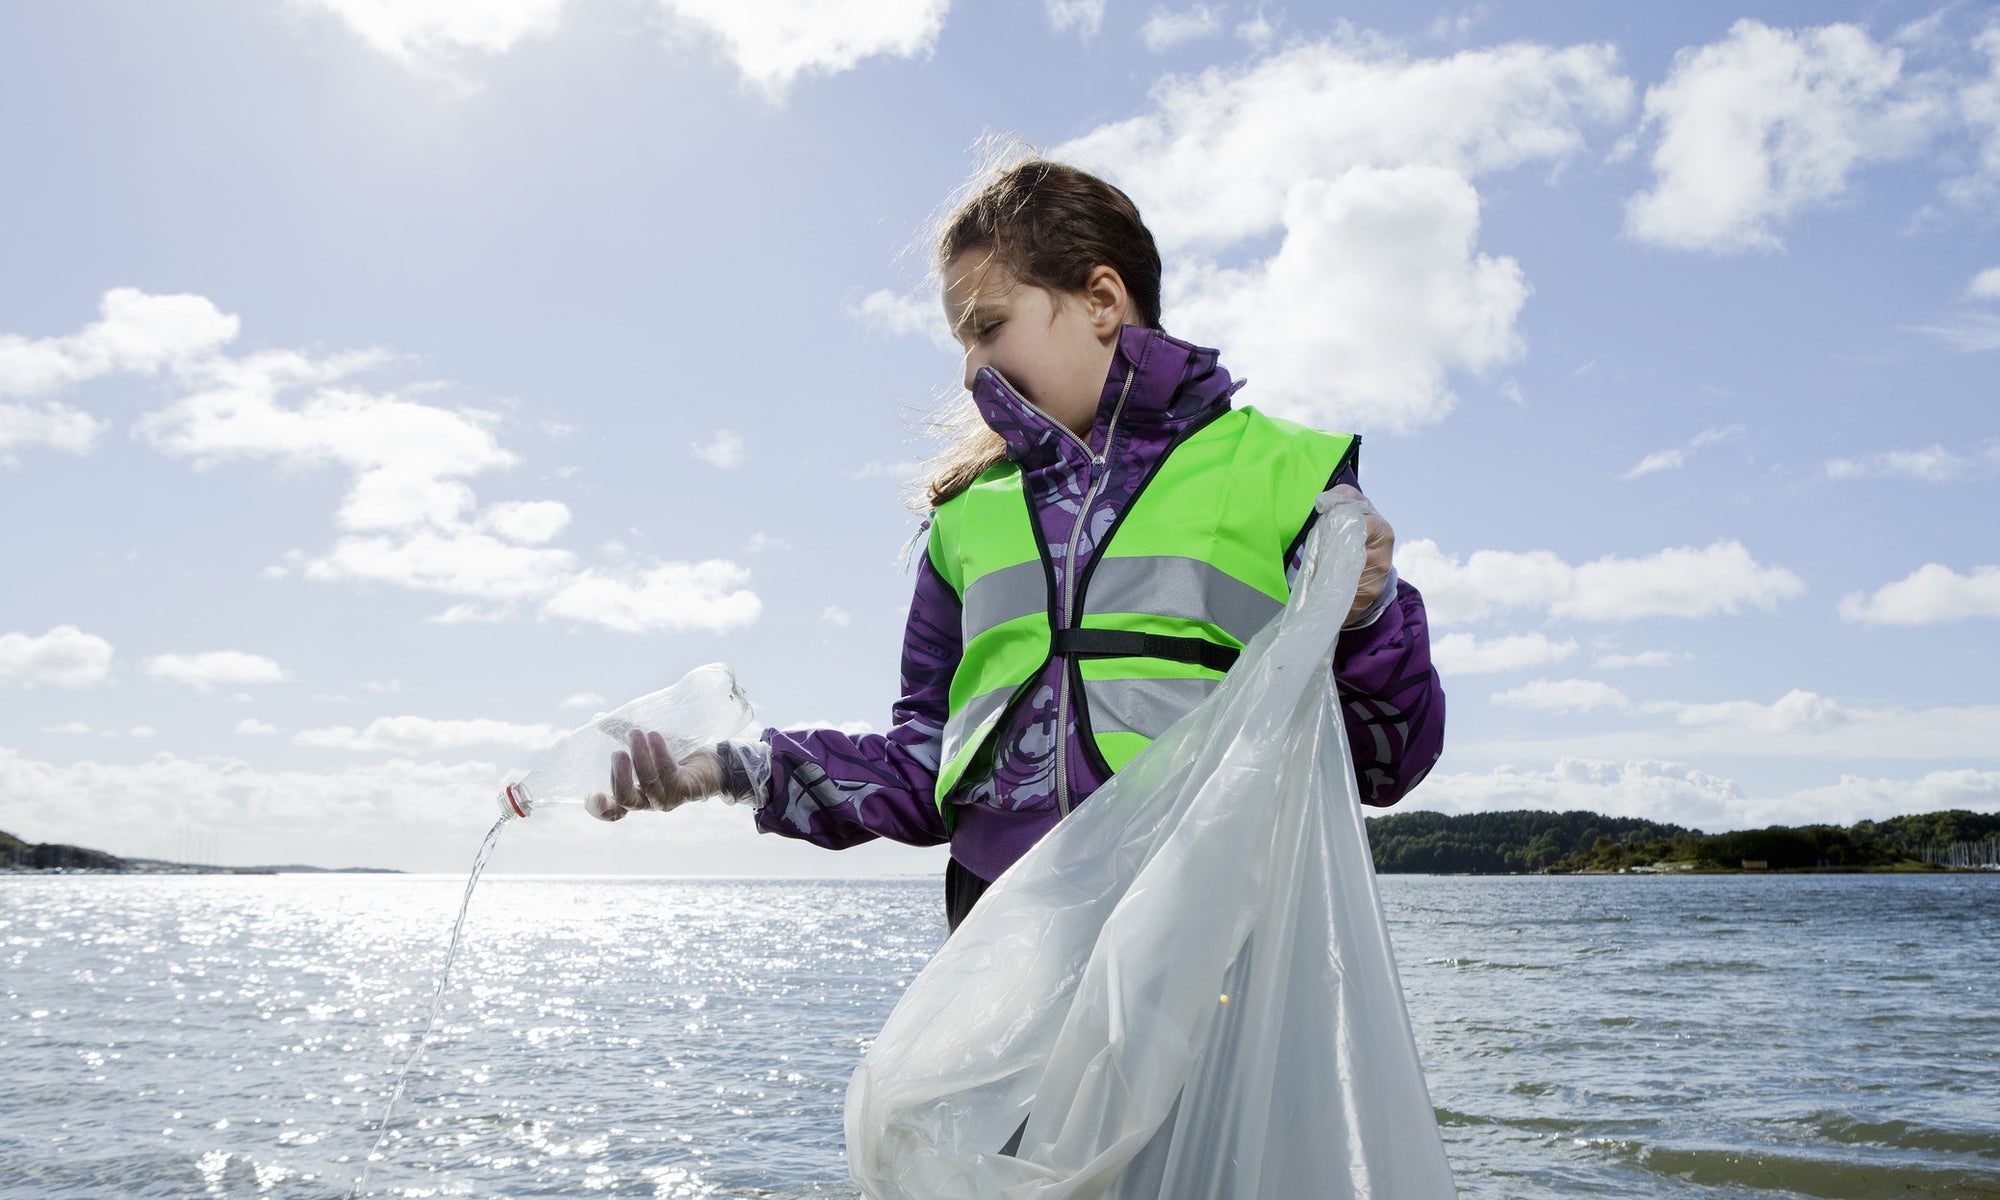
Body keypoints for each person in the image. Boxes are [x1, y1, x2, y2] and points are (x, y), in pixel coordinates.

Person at [591, 158, 1444, 931]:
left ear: (1102, 302)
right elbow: (926, 762)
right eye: (961, 341)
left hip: (1217, 946)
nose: (969, 370)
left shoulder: (1289, 475)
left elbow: (1386, 762)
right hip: (1005, 944)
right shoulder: (966, 520)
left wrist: (1369, 620)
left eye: (988, 326)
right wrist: (729, 770)